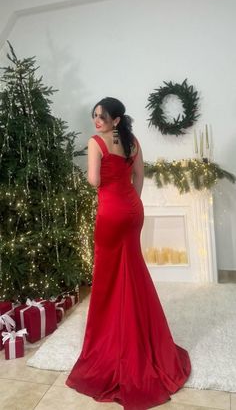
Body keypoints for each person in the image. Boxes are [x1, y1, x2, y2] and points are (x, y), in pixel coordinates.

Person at [66, 97, 191, 409]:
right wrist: (129, 203)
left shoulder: (96, 143)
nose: (96, 121)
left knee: (108, 281)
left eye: (102, 116)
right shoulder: (133, 142)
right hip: (133, 211)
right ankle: (141, 339)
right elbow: (139, 178)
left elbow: (94, 180)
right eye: (94, 115)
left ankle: (113, 342)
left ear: (116, 119)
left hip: (110, 215)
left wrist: (104, 190)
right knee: (132, 273)